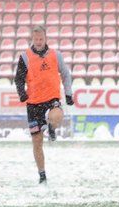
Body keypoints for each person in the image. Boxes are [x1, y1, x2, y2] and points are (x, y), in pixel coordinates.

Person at [14, 25, 74, 184]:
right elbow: (18, 79)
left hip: (51, 98)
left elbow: (66, 74)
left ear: (45, 38)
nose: (39, 42)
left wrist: (68, 94)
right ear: (32, 39)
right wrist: (22, 93)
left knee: (57, 115)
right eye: (36, 39)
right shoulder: (25, 56)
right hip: (33, 103)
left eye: (41, 39)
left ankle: (52, 128)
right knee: (37, 142)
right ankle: (42, 174)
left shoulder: (56, 54)